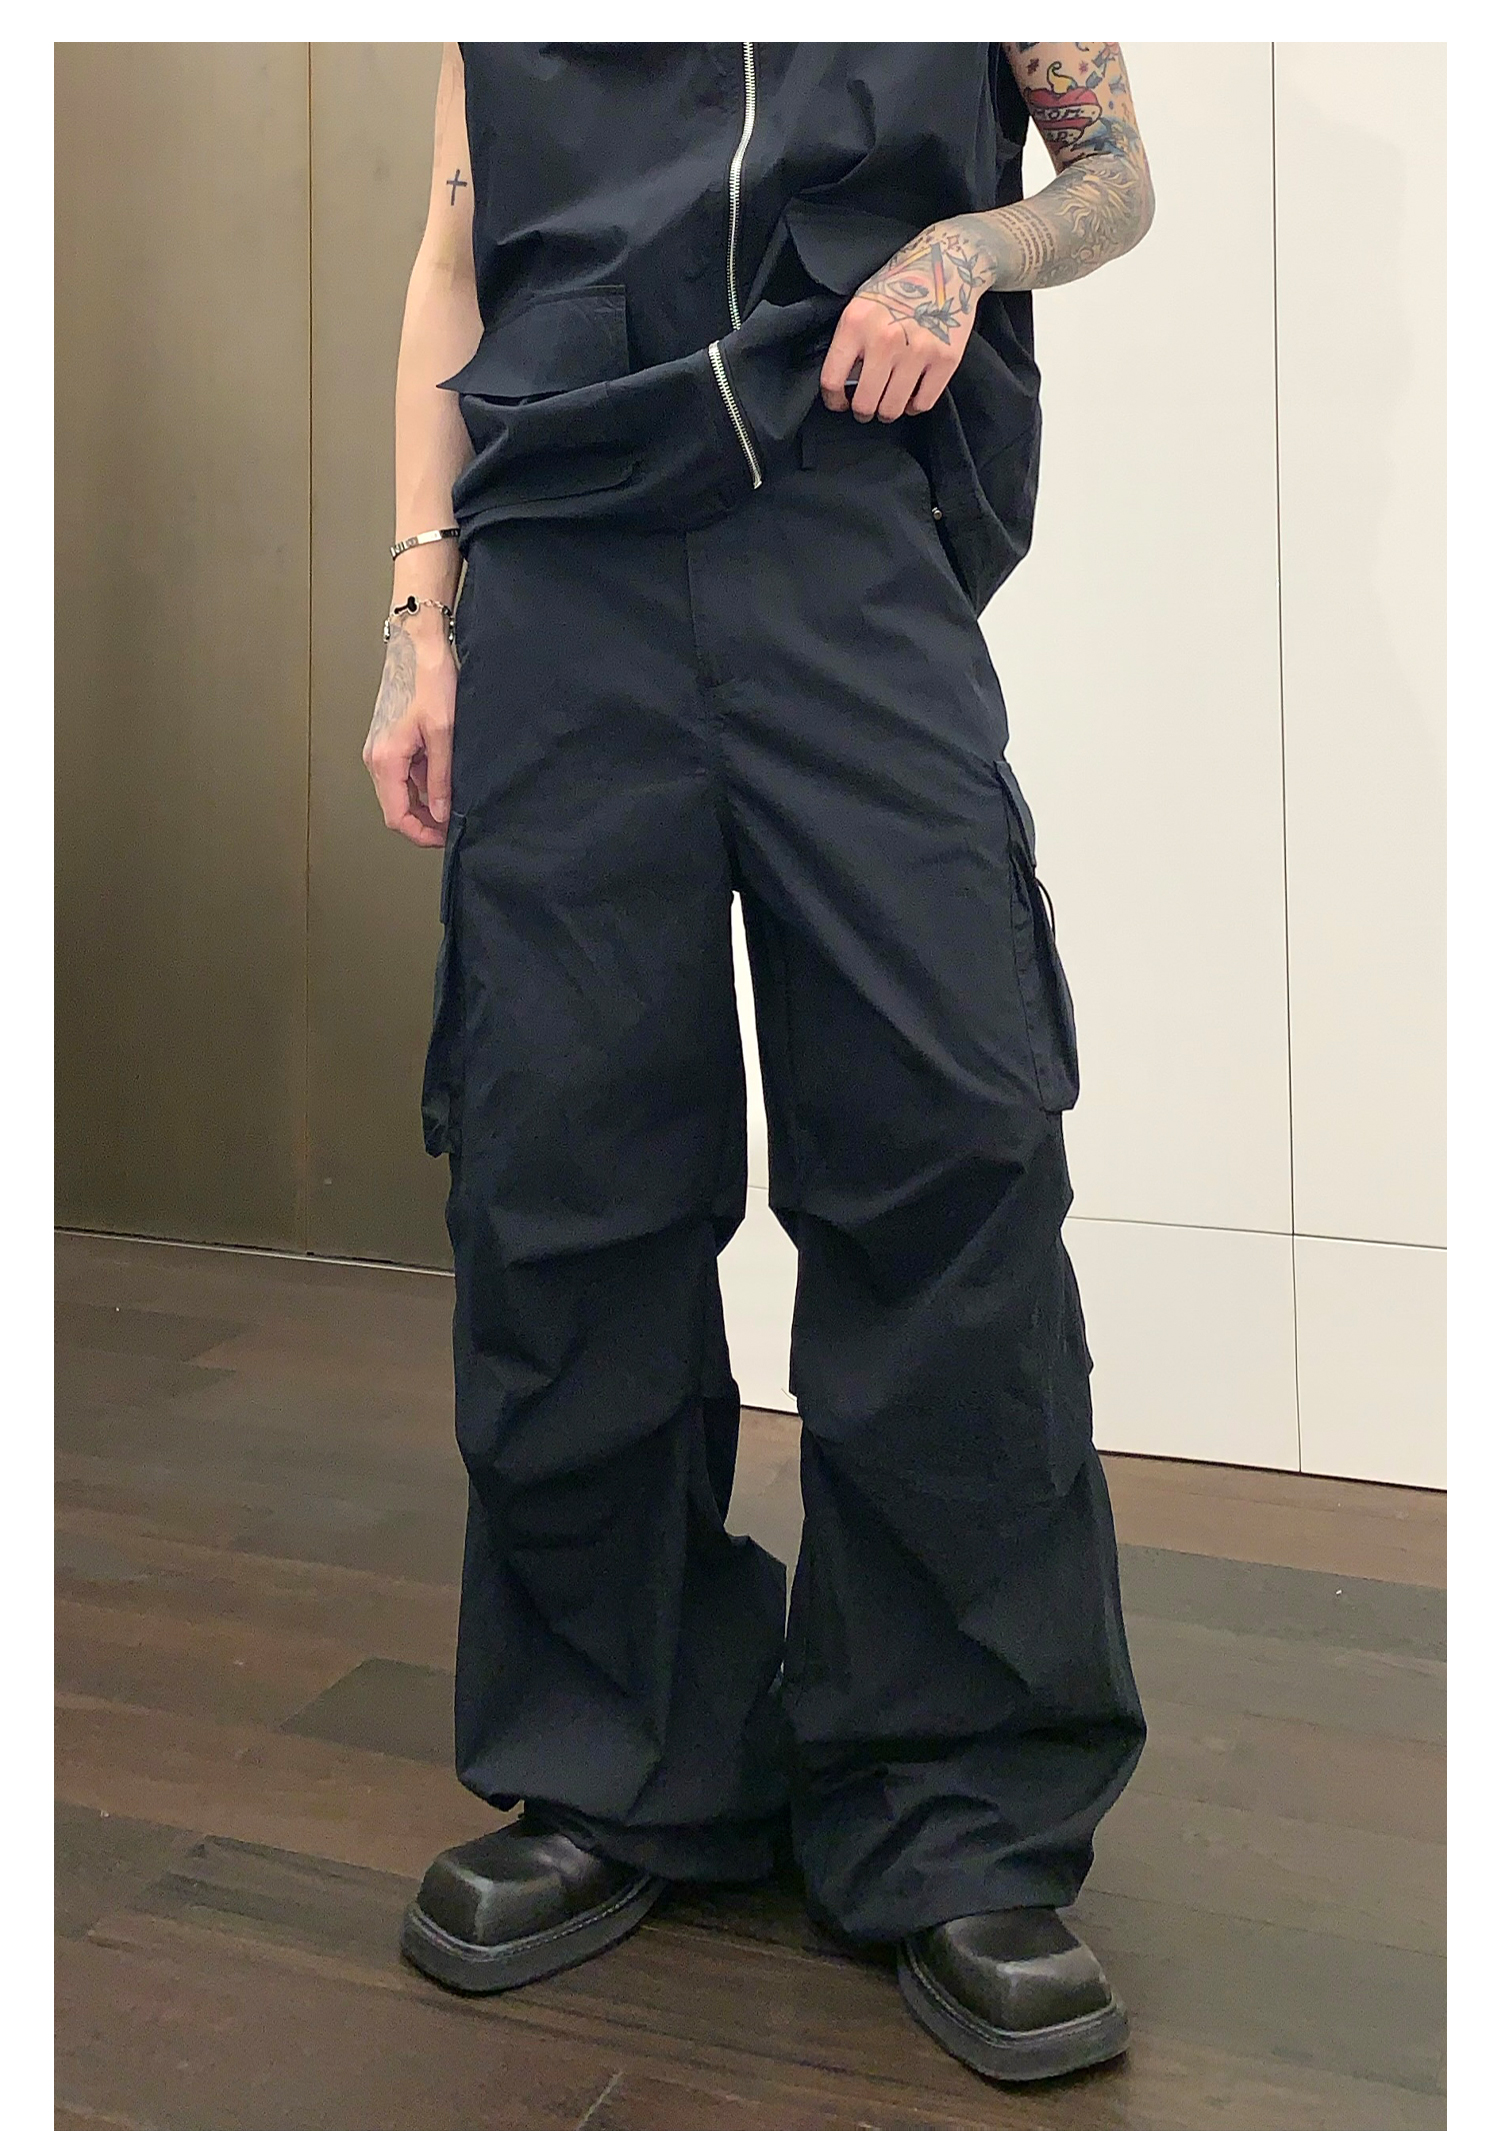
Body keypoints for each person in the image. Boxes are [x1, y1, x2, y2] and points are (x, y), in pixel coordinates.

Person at [363, 41, 1155, 2087]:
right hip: (559, 562)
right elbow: (453, 265)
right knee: (561, 1175)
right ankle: (615, 1760)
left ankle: (958, 1803)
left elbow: (1114, 174)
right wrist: (419, 614)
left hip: (841, 526)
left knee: (953, 1147)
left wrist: (962, 252)